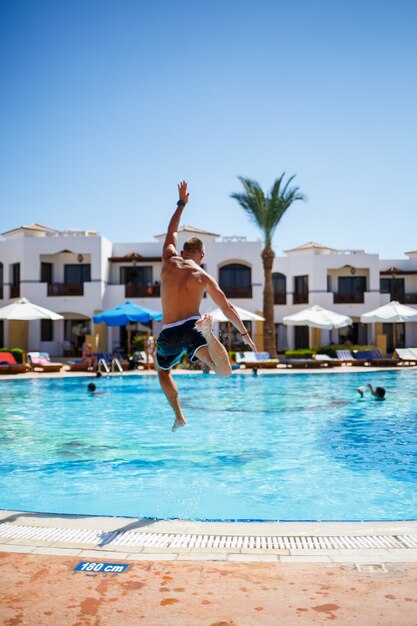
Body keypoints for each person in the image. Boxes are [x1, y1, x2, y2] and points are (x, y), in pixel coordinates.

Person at [156, 180, 256, 432]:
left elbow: (172, 230)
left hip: (169, 332)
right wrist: (244, 334)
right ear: (201, 256)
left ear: (182, 250)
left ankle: (179, 416)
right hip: (193, 327)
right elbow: (227, 307)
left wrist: (181, 204)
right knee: (223, 372)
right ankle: (209, 334)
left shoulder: (169, 260)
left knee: (163, 371)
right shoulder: (203, 276)